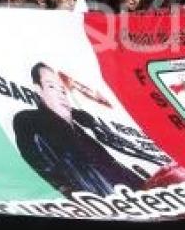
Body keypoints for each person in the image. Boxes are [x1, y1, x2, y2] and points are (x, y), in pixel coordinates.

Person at [13, 62, 145, 196]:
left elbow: (115, 169)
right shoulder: (28, 120)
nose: (61, 95)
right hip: (94, 206)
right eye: (51, 86)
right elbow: (44, 171)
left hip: (131, 199)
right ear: (38, 89)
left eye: (63, 90)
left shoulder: (84, 131)